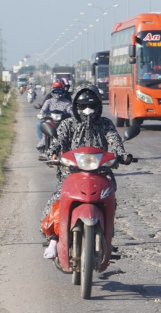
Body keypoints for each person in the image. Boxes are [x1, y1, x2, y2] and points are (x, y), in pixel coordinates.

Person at [40, 84, 128, 259]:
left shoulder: (105, 124)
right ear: (75, 106)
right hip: (71, 173)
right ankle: (54, 240)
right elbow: (58, 141)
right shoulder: (68, 124)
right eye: (83, 106)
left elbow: (114, 140)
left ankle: (107, 238)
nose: (88, 110)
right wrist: (52, 152)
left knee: (110, 199)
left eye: (92, 105)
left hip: (100, 173)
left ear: (98, 106)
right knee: (57, 201)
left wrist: (122, 155)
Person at [35, 82, 73, 152]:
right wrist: (42, 115)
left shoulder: (67, 102)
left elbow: (71, 111)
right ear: (52, 91)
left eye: (59, 91)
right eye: (56, 91)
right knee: (39, 123)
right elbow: (42, 111)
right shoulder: (48, 101)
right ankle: (42, 145)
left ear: (63, 91)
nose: (57, 93)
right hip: (50, 121)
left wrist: (72, 115)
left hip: (63, 122)